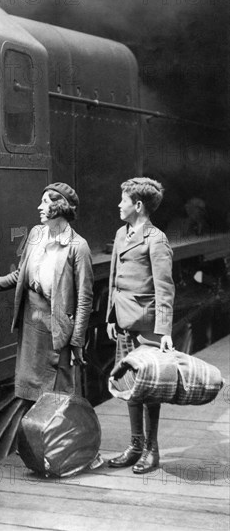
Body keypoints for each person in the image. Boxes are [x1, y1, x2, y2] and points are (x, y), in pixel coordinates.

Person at [0, 182, 94, 402]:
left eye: (45, 202)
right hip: (32, 322)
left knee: (56, 396)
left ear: (61, 207)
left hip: (56, 327)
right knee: (29, 393)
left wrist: (76, 342)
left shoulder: (78, 246)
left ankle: (55, 435)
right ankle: (33, 433)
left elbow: (84, 300)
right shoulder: (36, 234)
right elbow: (21, 275)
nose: (39, 207)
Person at [106, 177, 175, 474]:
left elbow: (165, 288)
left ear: (137, 205)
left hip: (146, 324)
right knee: (129, 384)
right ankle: (135, 445)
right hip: (123, 322)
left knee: (148, 387)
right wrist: (110, 316)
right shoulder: (122, 234)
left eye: (123, 200)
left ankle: (152, 450)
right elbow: (113, 277)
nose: (118, 205)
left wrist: (164, 331)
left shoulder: (156, 239)